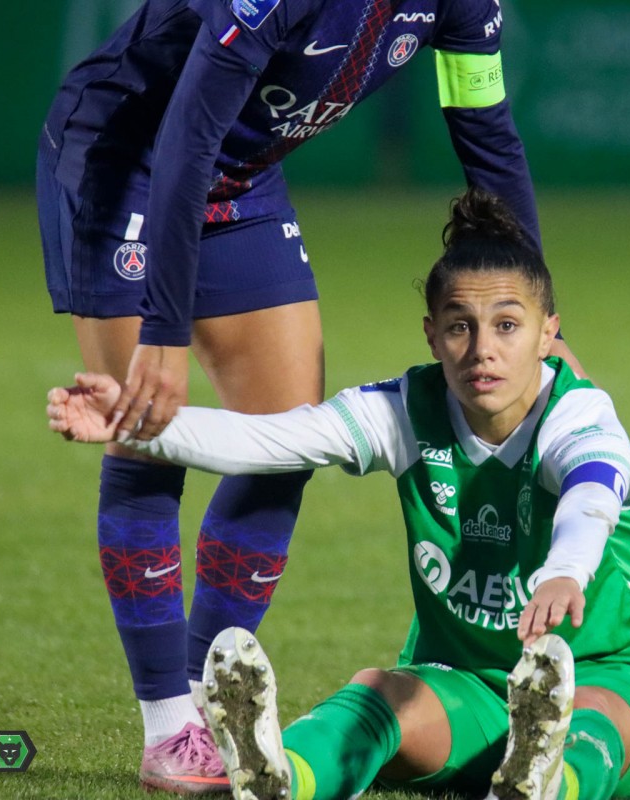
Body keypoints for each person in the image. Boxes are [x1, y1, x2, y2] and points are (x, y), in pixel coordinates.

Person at [38, 0, 584, 791]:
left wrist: (536, 319)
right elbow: (187, 128)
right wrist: (163, 329)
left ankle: (203, 702)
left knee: (285, 439)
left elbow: (486, 131)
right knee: (144, 429)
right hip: (129, 156)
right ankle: (165, 726)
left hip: (241, 177)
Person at [47, 189, 630, 800]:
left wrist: (564, 572)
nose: (483, 350)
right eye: (460, 327)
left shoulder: (581, 418)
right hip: (466, 686)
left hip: (612, 677)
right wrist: (137, 425)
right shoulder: (408, 409)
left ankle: (547, 779)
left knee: (593, 725)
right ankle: (278, 774)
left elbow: (591, 497)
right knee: (376, 694)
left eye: (508, 326)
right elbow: (274, 441)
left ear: (549, 334)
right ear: (432, 336)